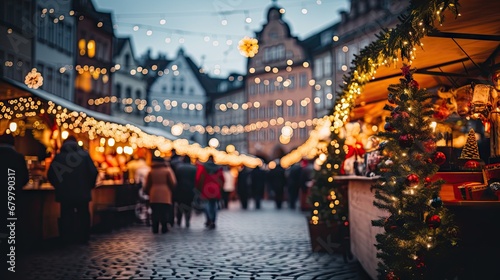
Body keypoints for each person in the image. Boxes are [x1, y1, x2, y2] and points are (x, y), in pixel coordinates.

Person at [47, 135, 98, 244]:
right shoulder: (84, 156)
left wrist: (58, 186)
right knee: (83, 214)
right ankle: (83, 238)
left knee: (66, 215)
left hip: (65, 194)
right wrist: (89, 186)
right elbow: (93, 172)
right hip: (82, 193)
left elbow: (51, 175)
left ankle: (67, 239)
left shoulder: (59, 157)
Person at [144, 156, 177, 234]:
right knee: (164, 211)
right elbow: (173, 182)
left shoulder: (151, 171)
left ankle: (155, 228)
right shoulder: (167, 170)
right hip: (165, 194)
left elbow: (147, 184)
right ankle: (164, 227)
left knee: (155, 212)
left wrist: (148, 191)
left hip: (154, 194)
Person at [195, 155, 224, 229]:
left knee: (206, 205)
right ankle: (213, 220)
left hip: (206, 188)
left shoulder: (204, 167)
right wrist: (220, 187)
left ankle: (209, 219)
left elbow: (200, 178)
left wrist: (199, 188)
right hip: (215, 189)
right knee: (214, 206)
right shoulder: (219, 168)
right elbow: (222, 179)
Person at [172, 155, 196, 227]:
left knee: (180, 205)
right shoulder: (194, 168)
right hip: (190, 190)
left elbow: (175, 179)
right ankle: (187, 220)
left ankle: (179, 220)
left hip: (180, 189)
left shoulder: (179, 168)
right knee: (189, 205)